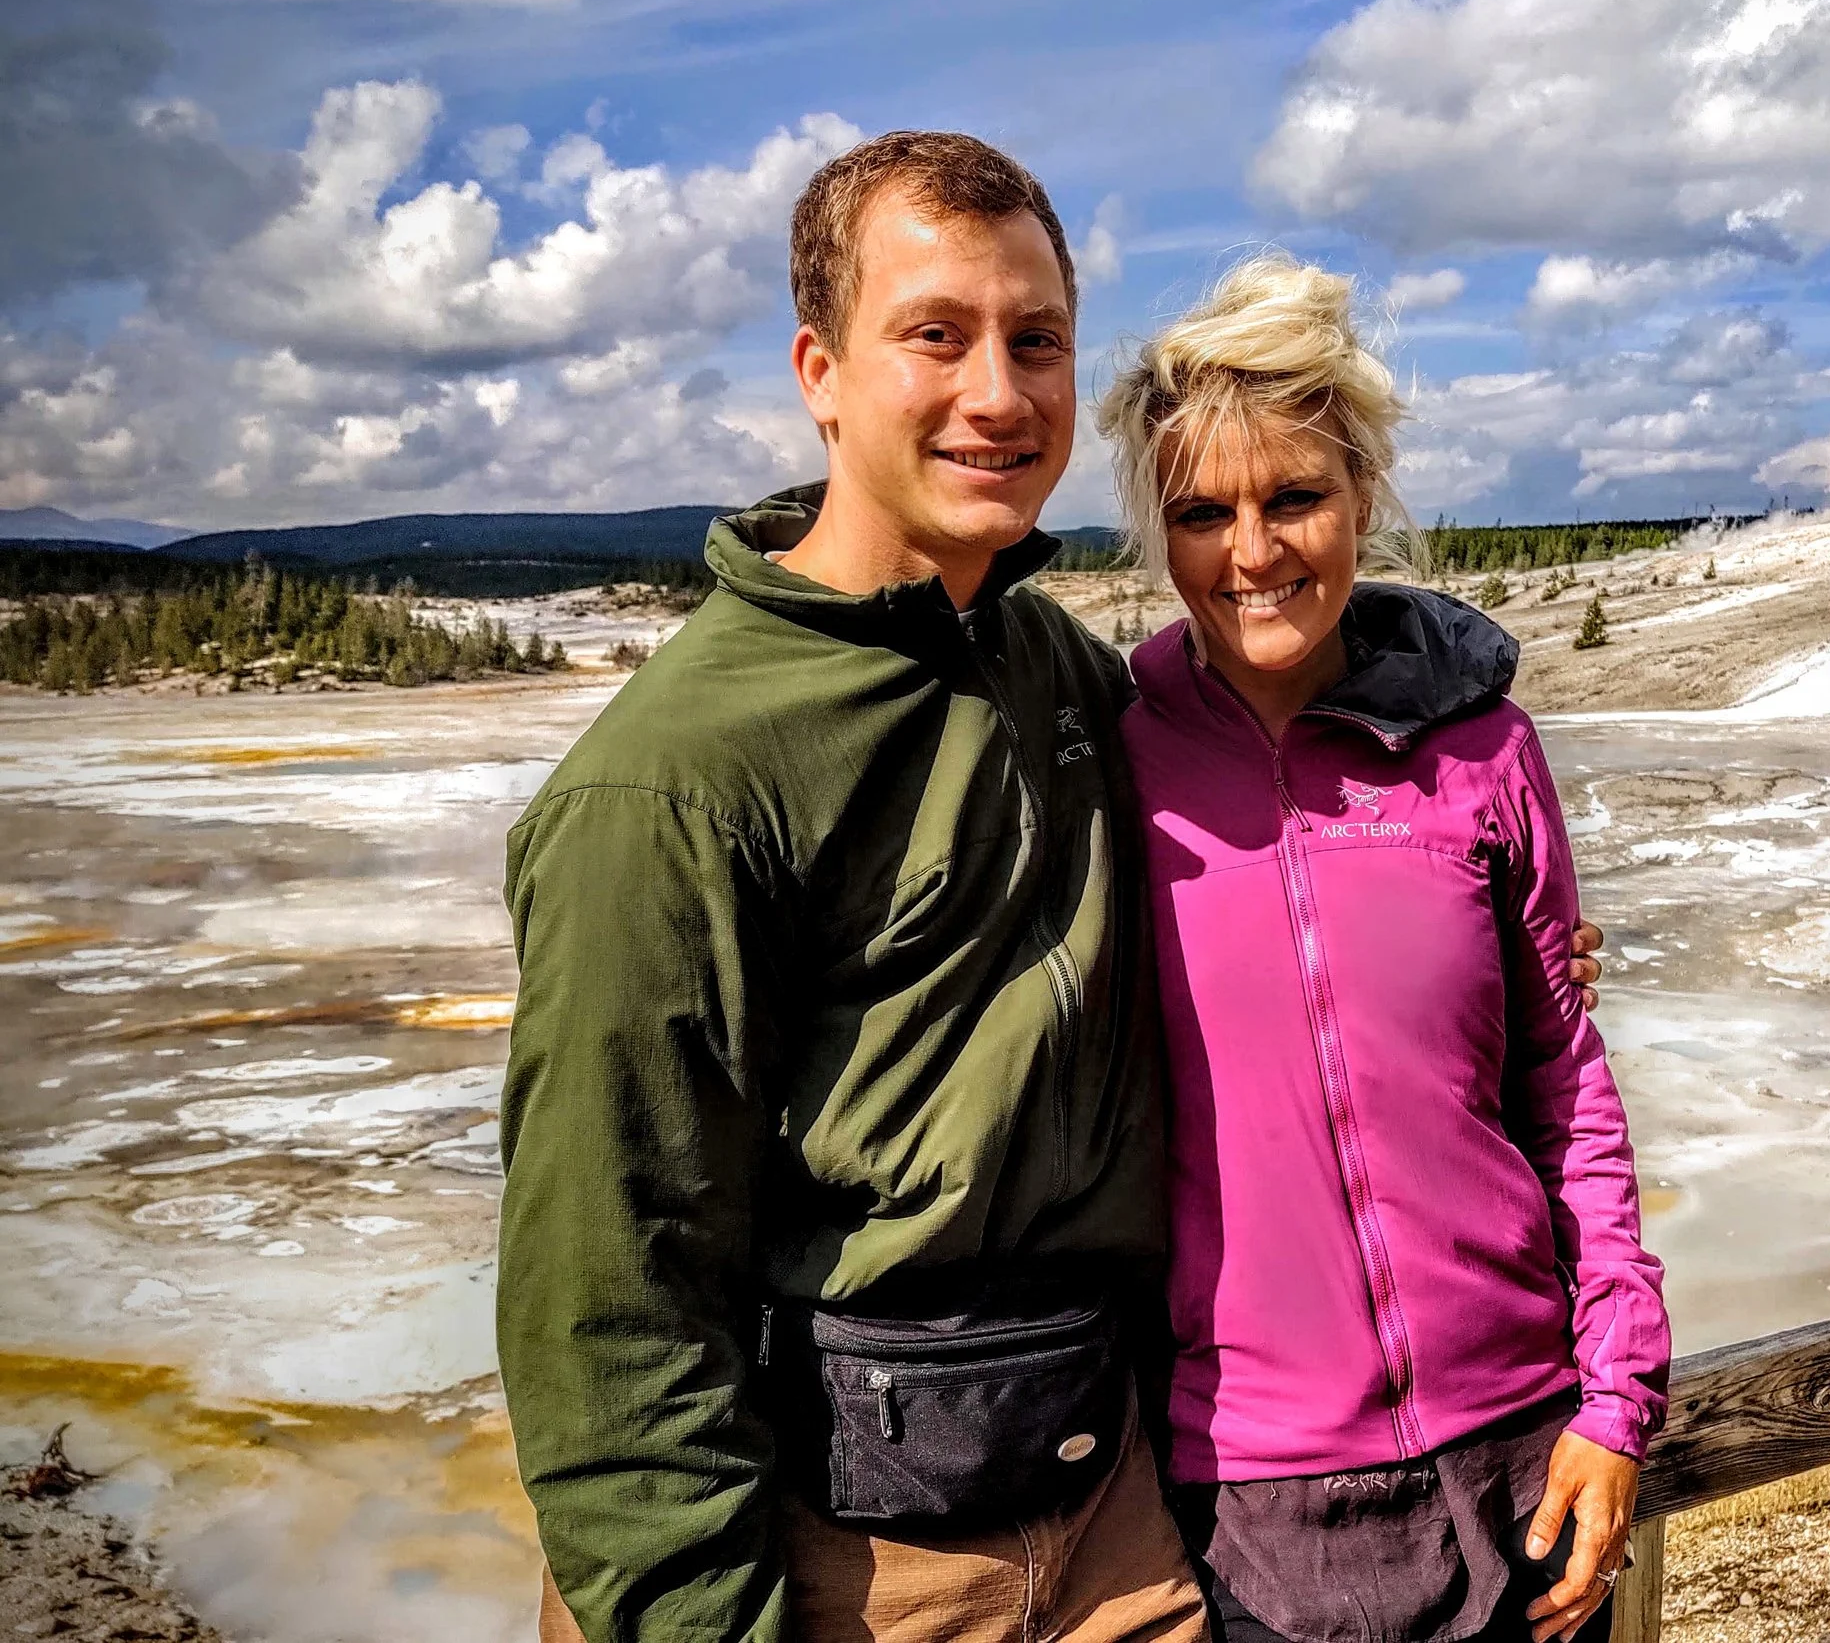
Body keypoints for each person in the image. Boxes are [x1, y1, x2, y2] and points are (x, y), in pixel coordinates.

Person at [498, 131, 1617, 1643]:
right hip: (855, 1561)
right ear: (821, 370)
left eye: (1035, 342)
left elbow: (1286, 724)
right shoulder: (669, 782)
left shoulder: (1066, 683)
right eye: (935, 337)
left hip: (1118, 1531)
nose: (998, 393)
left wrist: (1484, 891)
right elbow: (605, 1290)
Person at [1099, 256, 1671, 1643]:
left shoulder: (1480, 751)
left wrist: (1616, 1393)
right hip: (1255, 1498)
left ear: (1360, 491)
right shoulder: (1111, 763)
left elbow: (1564, 1083)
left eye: (1294, 495)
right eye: (1202, 514)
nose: (1252, 553)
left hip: (1524, 1449)